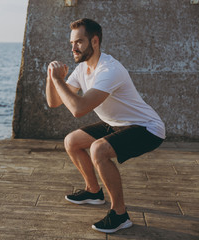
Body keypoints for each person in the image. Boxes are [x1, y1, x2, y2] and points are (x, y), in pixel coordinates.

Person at [46, 18, 165, 233]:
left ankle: (120, 215)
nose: (73, 48)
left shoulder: (109, 70)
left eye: (79, 42)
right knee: (71, 141)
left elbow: (77, 109)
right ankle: (93, 191)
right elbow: (54, 102)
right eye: (72, 43)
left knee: (98, 149)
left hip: (146, 127)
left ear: (95, 41)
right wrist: (51, 77)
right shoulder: (83, 69)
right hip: (116, 123)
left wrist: (58, 80)